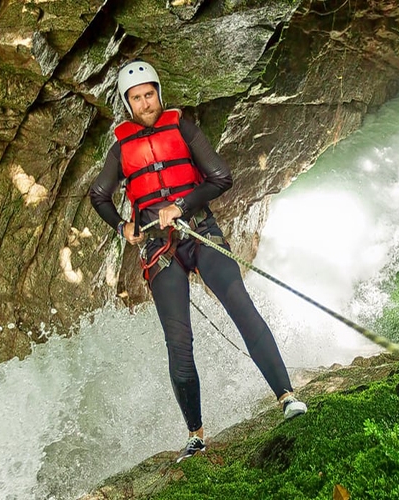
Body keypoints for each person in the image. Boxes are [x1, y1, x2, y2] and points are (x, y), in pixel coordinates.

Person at [89, 59, 306, 463]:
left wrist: (181, 205)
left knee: (241, 305)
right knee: (179, 342)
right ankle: (195, 435)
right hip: (158, 250)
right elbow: (99, 195)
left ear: (158, 93)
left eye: (149, 94)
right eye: (136, 98)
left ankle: (287, 396)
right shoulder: (121, 149)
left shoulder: (182, 128)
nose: (145, 103)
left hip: (200, 231)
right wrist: (123, 228)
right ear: (127, 104)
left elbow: (221, 176)